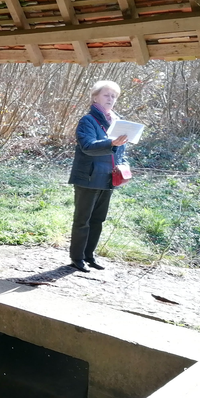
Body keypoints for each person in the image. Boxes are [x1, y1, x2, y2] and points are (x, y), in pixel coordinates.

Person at [68, 80, 129, 273]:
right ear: (95, 97)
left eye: (113, 96)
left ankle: (89, 256)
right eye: (106, 95)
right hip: (88, 177)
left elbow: (121, 151)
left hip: (108, 178)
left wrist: (124, 164)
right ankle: (77, 258)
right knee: (82, 220)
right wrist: (111, 142)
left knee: (98, 220)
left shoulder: (118, 122)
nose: (110, 99)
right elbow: (87, 146)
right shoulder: (87, 120)